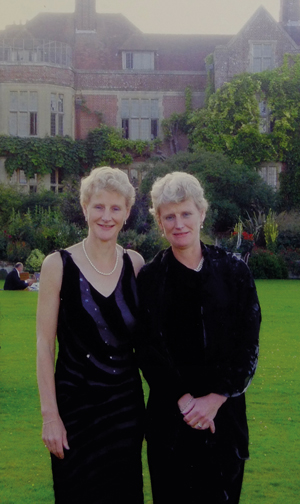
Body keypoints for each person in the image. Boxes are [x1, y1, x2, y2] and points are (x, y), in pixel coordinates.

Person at [136, 172, 261, 504]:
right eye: (170, 216)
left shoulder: (234, 271)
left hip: (225, 422)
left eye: (186, 213)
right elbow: (148, 350)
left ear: (201, 213)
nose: (179, 223)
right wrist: (184, 400)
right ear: (159, 222)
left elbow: (248, 343)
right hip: (170, 423)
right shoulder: (150, 278)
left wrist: (216, 398)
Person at [36, 167, 145, 504]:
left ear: (127, 213)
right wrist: (50, 417)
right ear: (84, 208)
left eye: (116, 208)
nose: (106, 216)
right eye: (98, 206)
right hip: (75, 412)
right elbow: (43, 346)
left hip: (125, 410)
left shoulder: (136, 264)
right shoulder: (58, 265)